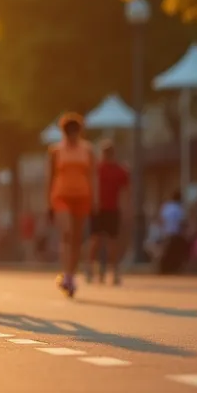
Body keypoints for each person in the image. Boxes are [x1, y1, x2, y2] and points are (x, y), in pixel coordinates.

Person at [47, 113, 95, 296]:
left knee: (76, 238)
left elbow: (92, 176)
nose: (72, 135)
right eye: (68, 131)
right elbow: (50, 177)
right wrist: (48, 202)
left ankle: (71, 274)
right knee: (66, 234)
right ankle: (66, 273)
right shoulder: (55, 151)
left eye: (75, 131)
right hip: (61, 196)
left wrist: (95, 199)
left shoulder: (88, 150)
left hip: (82, 196)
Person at [87, 140, 130, 285]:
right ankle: (91, 268)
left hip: (112, 209)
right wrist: (92, 203)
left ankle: (114, 271)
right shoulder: (96, 169)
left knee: (112, 242)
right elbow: (90, 187)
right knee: (95, 240)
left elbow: (125, 191)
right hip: (97, 209)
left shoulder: (120, 170)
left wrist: (125, 208)